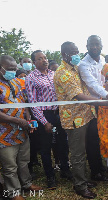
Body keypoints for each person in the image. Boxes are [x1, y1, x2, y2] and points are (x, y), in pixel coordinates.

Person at [54, 41, 108, 199]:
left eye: (77, 51)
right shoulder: (63, 72)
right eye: (72, 52)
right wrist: (104, 102)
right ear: (64, 54)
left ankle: (84, 178)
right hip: (74, 119)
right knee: (78, 154)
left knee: (88, 149)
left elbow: (90, 84)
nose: (77, 55)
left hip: (86, 114)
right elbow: (79, 96)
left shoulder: (76, 68)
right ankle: (80, 186)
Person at [26, 50, 72, 189]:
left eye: (45, 58)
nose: (44, 60)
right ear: (34, 62)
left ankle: (65, 170)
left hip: (58, 113)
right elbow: (33, 103)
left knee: (62, 144)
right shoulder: (31, 78)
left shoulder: (54, 74)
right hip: (44, 115)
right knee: (46, 148)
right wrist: (44, 122)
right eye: (40, 59)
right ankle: (50, 177)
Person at [0, 55, 42, 200]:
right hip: (4, 134)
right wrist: (18, 121)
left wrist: (28, 116)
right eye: (9, 69)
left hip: (21, 131)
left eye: (14, 69)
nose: (12, 71)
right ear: (0, 68)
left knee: (24, 161)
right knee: (10, 166)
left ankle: (26, 184)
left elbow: (24, 101)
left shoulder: (17, 82)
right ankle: (13, 193)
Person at [78, 35, 108, 182]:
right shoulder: (83, 64)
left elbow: (105, 80)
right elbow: (92, 84)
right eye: (91, 45)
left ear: (101, 45)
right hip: (91, 106)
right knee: (92, 139)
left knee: (103, 136)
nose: (94, 47)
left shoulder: (103, 60)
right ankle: (95, 171)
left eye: (97, 44)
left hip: (105, 103)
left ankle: (101, 165)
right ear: (86, 47)